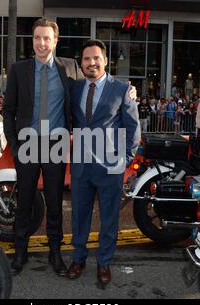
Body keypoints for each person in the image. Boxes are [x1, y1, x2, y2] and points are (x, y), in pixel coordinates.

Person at [2, 18, 85, 277]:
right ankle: (20, 252)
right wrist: (14, 146)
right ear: (33, 40)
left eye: (46, 38)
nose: (41, 43)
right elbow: (8, 110)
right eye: (37, 38)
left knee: (54, 203)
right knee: (24, 201)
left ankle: (55, 253)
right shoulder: (19, 69)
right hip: (27, 143)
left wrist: (125, 91)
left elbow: (94, 85)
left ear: (55, 41)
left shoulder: (70, 68)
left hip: (55, 144)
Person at [66, 39, 140, 285]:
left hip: (111, 166)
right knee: (79, 215)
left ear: (105, 61)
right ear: (82, 63)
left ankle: (104, 262)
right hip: (80, 165)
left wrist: (126, 159)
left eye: (96, 58)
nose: (91, 63)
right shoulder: (75, 88)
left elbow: (133, 127)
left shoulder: (121, 90)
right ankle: (78, 258)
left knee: (109, 217)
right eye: (87, 59)